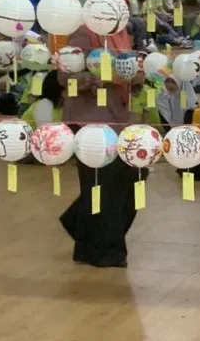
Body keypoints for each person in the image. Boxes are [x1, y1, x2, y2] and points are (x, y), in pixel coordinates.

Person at [58, 22, 140, 268]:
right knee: (102, 184)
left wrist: (133, 77)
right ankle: (103, 249)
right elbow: (65, 75)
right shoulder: (84, 34)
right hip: (90, 120)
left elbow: (129, 69)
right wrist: (98, 78)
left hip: (118, 116)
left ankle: (82, 228)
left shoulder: (122, 34)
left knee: (129, 179)